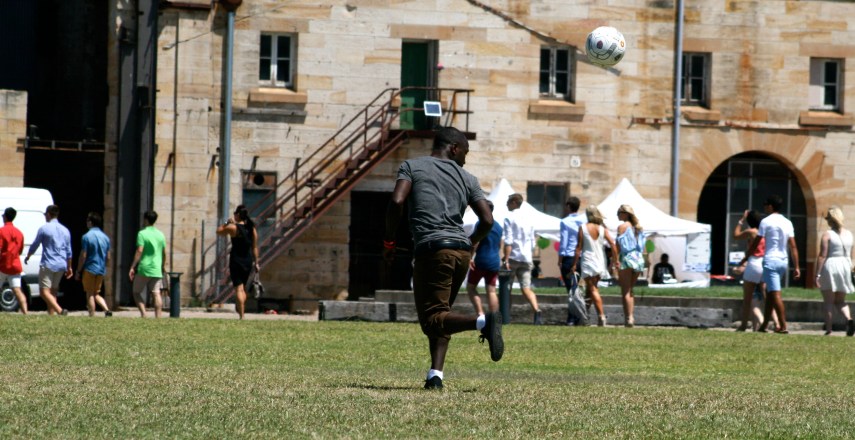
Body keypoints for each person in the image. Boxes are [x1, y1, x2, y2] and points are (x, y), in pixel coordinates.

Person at [383, 126, 502, 390]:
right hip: (460, 251)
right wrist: (470, 244)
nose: (465, 159)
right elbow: (487, 220)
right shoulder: (468, 178)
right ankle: (435, 376)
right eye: (466, 153)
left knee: (432, 317)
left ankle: (484, 321)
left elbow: (397, 201)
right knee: (441, 314)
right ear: (455, 148)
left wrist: (389, 241)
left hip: (432, 249)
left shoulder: (412, 166)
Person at [747, 195, 800, 334]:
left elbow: (756, 243)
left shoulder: (765, 221)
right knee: (770, 293)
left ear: (771, 206)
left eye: (765, 204)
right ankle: (764, 325)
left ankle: (783, 326)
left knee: (775, 294)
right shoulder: (787, 222)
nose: (764, 207)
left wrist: (745, 258)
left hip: (770, 261)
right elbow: (793, 246)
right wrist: (797, 266)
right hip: (783, 261)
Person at [571, 205, 618, 326]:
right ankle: (585, 316)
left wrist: (574, 264)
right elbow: (612, 244)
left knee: (592, 289)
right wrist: (615, 260)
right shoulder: (602, 228)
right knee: (590, 290)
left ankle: (601, 316)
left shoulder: (583, 227)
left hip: (588, 259)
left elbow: (578, 248)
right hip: (600, 260)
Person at [734, 210, 779, 332]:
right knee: (768, 297)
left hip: (754, 263)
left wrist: (741, 220)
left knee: (747, 298)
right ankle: (777, 323)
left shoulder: (752, 232)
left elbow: (736, 235)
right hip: (765, 263)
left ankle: (743, 325)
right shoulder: (767, 232)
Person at [502, 193, 543, 325]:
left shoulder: (509, 218)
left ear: (514, 202)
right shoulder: (529, 218)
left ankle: (505, 315)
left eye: (508, 201)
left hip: (513, 256)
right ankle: (537, 310)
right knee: (526, 288)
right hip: (526, 257)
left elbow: (508, 241)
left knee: (507, 288)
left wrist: (506, 259)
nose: (506, 204)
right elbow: (532, 241)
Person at [814, 206, 855, 336]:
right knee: (840, 301)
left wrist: (817, 274)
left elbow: (822, 255)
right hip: (846, 265)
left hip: (831, 265)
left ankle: (829, 329)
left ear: (830, 220)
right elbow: (852, 255)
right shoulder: (849, 234)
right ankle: (849, 319)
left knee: (828, 301)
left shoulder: (827, 234)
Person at [24, 204, 71, 316]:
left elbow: (35, 244)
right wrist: (69, 267)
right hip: (61, 264)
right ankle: (51, 315)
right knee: (53, 291)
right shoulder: (65, 230)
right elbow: (69, 251)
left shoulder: (44, 228)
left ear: (49, 215)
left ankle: (60, 311)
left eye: (46, 214)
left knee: (44, 292)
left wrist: (28, 255)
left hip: (48, 263)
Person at [216, 204, 260, 320]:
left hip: (236, 260)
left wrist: (226, 222)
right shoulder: (252, 229)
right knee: (243, 288)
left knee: (239, 289)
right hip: (247, 260)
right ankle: (241, 311)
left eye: (235, 213)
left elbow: (219, 231)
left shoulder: (233, 228)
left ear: (238, 215)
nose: (234, 215)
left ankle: (242, 315)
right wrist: (257, 262)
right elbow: (255, 247)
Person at [129, 210, 168, 318]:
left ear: (145, 219)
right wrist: (162, 266)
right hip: (156, 269)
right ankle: (158, 317)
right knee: (156, 293)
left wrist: (133, 266)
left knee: (136, 292)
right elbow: (164, 253)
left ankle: (144, 314)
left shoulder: (142, 233)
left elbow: (139, 250)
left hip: (144, 268)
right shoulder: (161, 234)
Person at [465, 200, 501, 316]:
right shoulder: (499, 226)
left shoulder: (481, 223)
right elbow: (500, 244)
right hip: (495, 261)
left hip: (481, 260)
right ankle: (494, 316)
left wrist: (470, 257)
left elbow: (476, 242)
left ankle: (480, 314)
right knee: (491, 290)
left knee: (470, 287)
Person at [75, 212, 112, 317]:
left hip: (90, 268)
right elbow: (108, 257)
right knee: (96, 293)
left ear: (90, 222)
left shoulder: (86, 237)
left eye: (87, 221)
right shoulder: (105, 237)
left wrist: (78, 270)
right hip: (101, 269)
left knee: (90, 293)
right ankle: (107, 310)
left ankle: (92, 315)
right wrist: (105, 267)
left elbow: (83, 255)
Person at [558, 196, 587, 325]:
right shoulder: (584, 220)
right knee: (576, 288)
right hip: (581, 256)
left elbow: (563, 242)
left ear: (569, 206)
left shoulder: (565, 222)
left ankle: (572, 317)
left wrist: (560, 259)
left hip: (569, 256)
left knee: (570, 289)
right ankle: (577, 316)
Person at [615, 204, 644, 327]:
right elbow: (642, 246)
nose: (617, 215)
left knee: (625, 290)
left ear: (625, 213)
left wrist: (615, 260)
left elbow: (617, 246)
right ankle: (631, 317)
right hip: (638, 258)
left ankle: (628, 318)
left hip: (626, 257)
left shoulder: (622, 227)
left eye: (619, 213)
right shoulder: (638, 228)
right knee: (631, 290)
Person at [0, 207, 27, 314]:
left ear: (5, 217)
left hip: (3, 265)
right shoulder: (19, 233)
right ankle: (25, 312)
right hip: (15, 265)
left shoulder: (1, 231)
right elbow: (20, 251)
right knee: (17, 290)